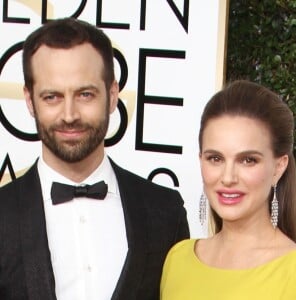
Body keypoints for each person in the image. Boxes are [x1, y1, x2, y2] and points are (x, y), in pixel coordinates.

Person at [0, 18, 189, 300]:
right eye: (52, 96)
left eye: (85, 94)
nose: (69, 114)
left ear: (112, 95)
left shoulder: (165, 211)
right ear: (29, 101)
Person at [160, 80, 296, 299]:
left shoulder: (294, 273)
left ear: (278, 167)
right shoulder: (177, 260)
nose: (227, 178)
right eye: (215, 158)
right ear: (201, 160)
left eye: (247, 160)